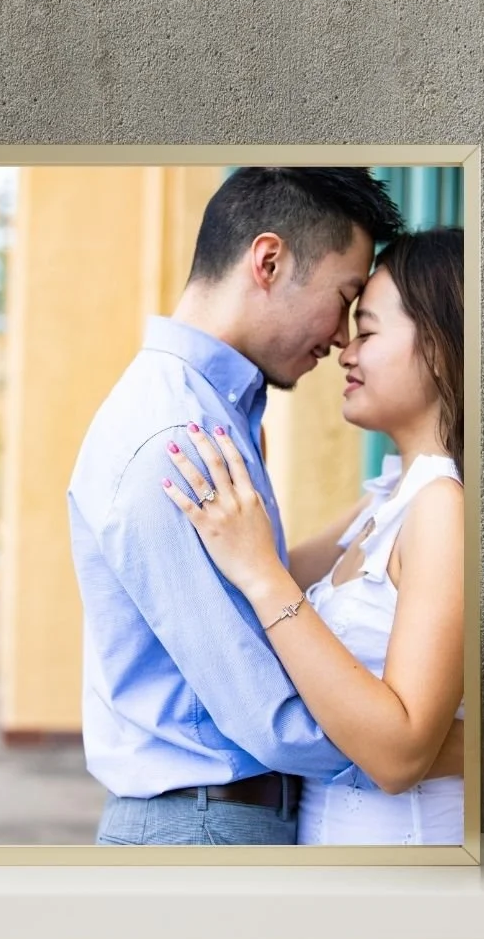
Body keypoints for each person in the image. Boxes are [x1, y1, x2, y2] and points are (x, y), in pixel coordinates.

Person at [67, 167, 453, 846]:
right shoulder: (179, 442)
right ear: (268, 261)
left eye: (366, 321)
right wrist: (437, 752)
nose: (341, 341)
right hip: (202, 825)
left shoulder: (219, 417)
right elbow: (264, 712)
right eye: (344, 301)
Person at [160, 227, 465, 845]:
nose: (345, 351)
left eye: (370, 331)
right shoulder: (387, 501)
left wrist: (264, 575)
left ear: (438, 345)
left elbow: (400, 754)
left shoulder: (441, 508)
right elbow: (252, 583)